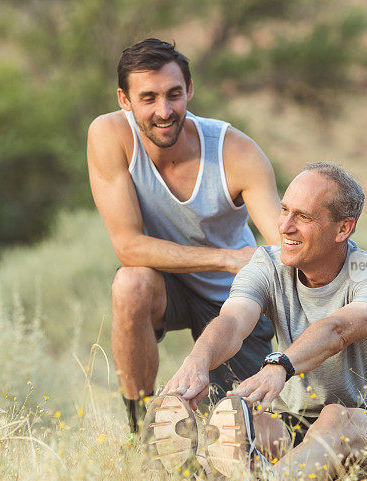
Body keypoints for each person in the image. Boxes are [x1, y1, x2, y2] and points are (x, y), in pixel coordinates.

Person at [159, 162, 367, 481]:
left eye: (303, 217)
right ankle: (207, 476)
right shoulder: (268, 264)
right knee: (252, 426)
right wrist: (198, 361)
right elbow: (233, 320)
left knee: (334, 417)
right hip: (303, 424)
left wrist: (280, 365)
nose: (285, 226)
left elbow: (338, 330)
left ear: (343, 229)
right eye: (285, 210)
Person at [87, 38, 282, 434]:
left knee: (240, 431)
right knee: (130, 283)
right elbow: (128, 247)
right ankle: (139, 430)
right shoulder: (109, 135)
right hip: (170, 285)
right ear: (124, 99)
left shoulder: (235, 151)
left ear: (189, 90)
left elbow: (284, 241)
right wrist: (226, 257)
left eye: (174, 95)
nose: (164, 111)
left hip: (233, 300)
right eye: (149, 98)